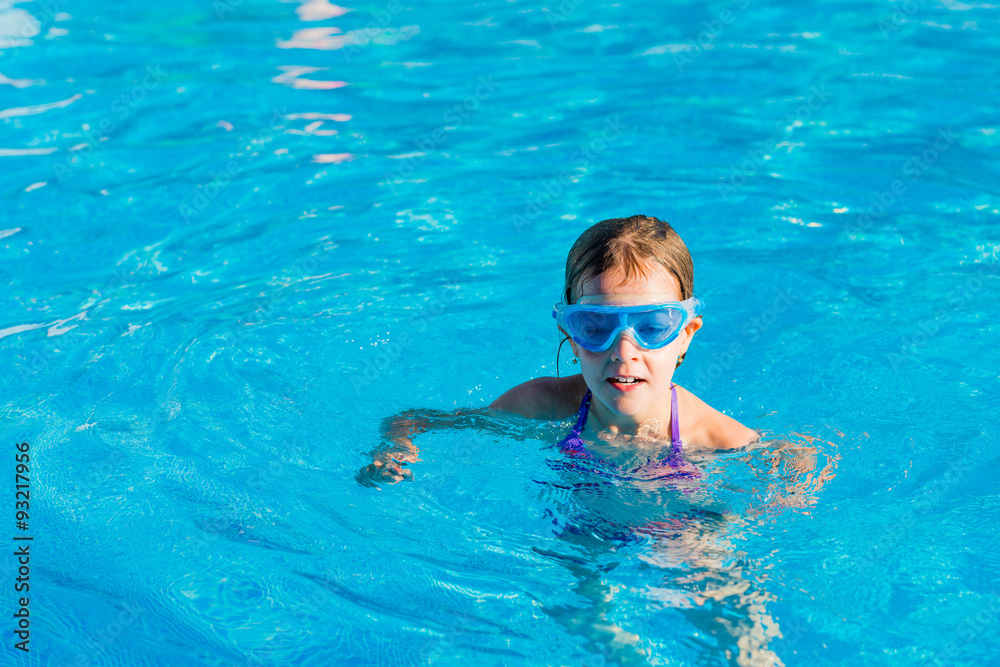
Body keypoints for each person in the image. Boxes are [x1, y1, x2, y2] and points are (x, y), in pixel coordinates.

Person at [358, 214, 759, 486]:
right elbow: (415, 420)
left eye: (652, 327)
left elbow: (791, 457)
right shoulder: (544, 404)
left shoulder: (710, 434)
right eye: (596, 326)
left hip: (675, 522)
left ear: (686, 334)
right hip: (580, 526)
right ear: (570, 334)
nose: (623, 350)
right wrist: (396, 445)